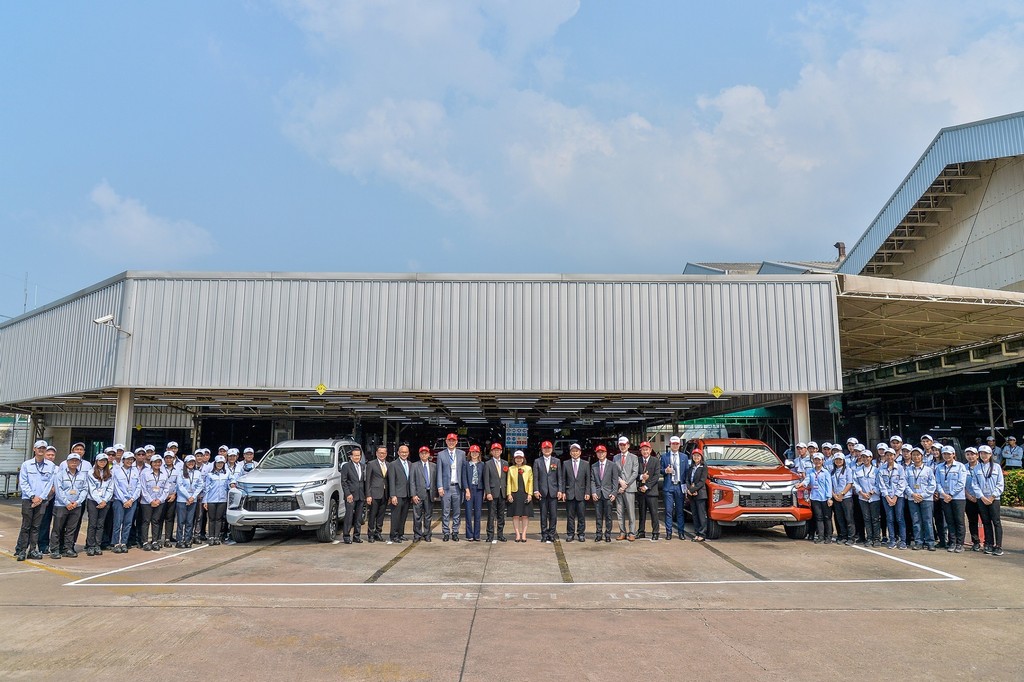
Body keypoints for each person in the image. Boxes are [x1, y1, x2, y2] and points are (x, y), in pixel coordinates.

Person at [15, 440, 56, 561]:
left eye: (43, 448)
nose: (41, 450)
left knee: (36, 527)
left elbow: (50, 483)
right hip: (28, 499)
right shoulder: (26, 464)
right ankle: (22, 550)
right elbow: (23, 482)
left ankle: (33, 550)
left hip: (42, 500)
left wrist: (41, 498)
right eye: (39, 448)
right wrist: (33, 496)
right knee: (26, 526)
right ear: (34, 449)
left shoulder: (50, 466)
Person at [50, 453, 88, 559]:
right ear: (67, 462)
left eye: (76, 461)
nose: (74, 463)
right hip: (61, 505)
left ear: (79, 463)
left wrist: (77, 502)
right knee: (57, 528)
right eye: (72, 460)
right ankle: (55, 549)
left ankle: (68, 548)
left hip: (76, 506)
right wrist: (67, 502)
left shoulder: (82, 475)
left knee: (71, 529)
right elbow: (59, 490)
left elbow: (85, 489)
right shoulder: (60, 475)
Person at [971, 445, 1004, 556]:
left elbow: (1000, 484)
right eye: (981, 453)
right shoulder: (977, 468)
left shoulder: (997, 467)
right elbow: (975, 484)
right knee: (986, 522)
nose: (983, 455)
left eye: (986, 453)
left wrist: (992, 497)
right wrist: (981, 497)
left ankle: (998, 545)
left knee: (996, 522)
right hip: (982, 499)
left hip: (994, 499)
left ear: (990, 455)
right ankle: (989, 543)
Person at [935, 445, 968, 553]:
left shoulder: (960, 466)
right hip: (944, 498)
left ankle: (960, 543)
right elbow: (937, 482)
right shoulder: (939, 467)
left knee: (959, 520)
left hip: (958, 498)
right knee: (949, 521)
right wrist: (944, 494)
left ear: (953, 454)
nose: (946, 456)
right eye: (944, 454)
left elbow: (961, 483)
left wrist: (951, 494)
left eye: (949, 454)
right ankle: (952, 542)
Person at [904, 448, 937, 551]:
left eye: (918, 455)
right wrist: (912, 494)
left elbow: (932, 485)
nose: (916, 457)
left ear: (922, 456)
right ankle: (918, 542)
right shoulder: (908, 470)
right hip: (912, 499)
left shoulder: (928, 470)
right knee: (916, 521)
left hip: (926, 499)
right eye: (914, 455)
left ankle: (930, 542)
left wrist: (922, 495)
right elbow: (905, 484)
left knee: (928, 521)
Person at [436, 434, 466, 542]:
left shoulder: (462, 454)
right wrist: (440, 486)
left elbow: (463, 471)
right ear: (446, 441)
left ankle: (455, 532)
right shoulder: (441, 454)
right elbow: (439, 471)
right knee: (445, 511)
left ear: (457, 442)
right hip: (446, 487)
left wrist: (465, 487)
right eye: (449, 440)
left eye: (453, 440)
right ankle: (446, 532)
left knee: (457, 512)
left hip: (457, 487)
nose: (451, 442)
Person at [111, 449, 141, 554]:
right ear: (123, 460)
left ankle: (124, 542)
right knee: (118, 522)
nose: (129, 461)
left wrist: (132, 499)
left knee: (128, 523)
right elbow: (115, 487)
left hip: (132, 500)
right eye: (127, 459)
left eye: (131, 459)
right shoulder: (116, 471)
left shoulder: (135, 471)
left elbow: (138, 486)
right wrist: (124, 500)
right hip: (120, 500)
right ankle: (116, 543)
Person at [876, 447, 907, 550]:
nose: (889, 457)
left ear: (894, 456)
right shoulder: (881, 469)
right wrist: (887, 497)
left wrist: (895, 496)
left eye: (891, 455)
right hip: (886, 498)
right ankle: (892, 540)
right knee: (889, 519)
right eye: (887, 455)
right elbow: (881, 484)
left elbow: (902, 483)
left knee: (900, 518)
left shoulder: (900, 468)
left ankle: (903, 540)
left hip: (898, 497)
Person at [84, 452, 114, 556]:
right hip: (93, 501)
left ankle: (97, 544)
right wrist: (99, 501)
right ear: (97, 461)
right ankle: (90, 545)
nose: (102, 462)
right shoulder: (90, 473)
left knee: (100, 524)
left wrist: (104, 500)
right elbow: (91, 489)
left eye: (104, 461)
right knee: (92, 524)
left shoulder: (110, 473)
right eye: (101, 461)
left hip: (105, 501)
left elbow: (110, 489)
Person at [559, 443, 590, 542]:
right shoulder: (566, 463)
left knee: (581, 515)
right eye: (573, 451)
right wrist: (563, 491)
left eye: (576, 451)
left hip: (581, 493)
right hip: (570, 493)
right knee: (570, 516)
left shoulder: (585, 464)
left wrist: (587, 492)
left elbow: (588, 480)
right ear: (570, 453)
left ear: (580, 452)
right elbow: (563, 479)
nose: (575, 453)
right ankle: (570, 534)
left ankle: (581, 534)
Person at [139, 454, 170, 551]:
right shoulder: (145, 473)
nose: (157, 464)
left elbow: (166, 489)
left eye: (159, 462)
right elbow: (143, 489)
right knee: (146, 521)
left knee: (156, 521)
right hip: (147, 502)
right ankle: (144, 542)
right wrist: (150, 500)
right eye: (155, 462)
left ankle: (155, 541)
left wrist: (160, 500)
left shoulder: (164, 474)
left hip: (159, 502)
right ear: (151, 463)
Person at [590, 445, 619, 543]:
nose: (600, 454)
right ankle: (598, 534)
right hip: (598, 494)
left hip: (608, 494)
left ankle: (608, 534)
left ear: (606, 453)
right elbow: (592, 481)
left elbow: (615, 480)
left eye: (602, 452)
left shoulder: (612, 465)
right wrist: (593, 492)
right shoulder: (594, 466)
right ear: (596, 454)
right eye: (598, 452)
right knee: (598, 516)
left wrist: (614, 493)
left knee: (608, 516)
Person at [662, 436, 689, 541]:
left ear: (679, 445)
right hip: (669, 486)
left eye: (677, 444)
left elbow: (686, 472)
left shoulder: (684, 457)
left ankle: (681, 532)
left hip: (679, 485)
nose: (675, 445)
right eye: (673, 444)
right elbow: (659, 470)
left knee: (680, 510)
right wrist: (665, 471)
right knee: (668, 510)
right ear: (670, 444)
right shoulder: (664, 457)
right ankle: (669, 532)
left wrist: (686, 487)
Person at [853, 448, 881, 548]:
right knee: (867, 518)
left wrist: (872, 492)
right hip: (863, 498)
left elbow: (879, 483)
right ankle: (869, 538)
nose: (865, 459)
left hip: (875, 498)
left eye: (867, 457)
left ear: (871, 458)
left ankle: (876, 538)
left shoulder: (876, 470)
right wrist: (861, 493)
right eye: (863, 457)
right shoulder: (858, 470)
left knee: (875, 519)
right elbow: (855, 483)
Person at [532, 441, 559, 544]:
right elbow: (535, 477)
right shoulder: (537, 461)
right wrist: (536, 490)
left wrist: (560, 490)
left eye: (548, 448)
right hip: (542, 492)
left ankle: (551, 534)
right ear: (542, 450)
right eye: (545, 448)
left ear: (552, 449)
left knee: (553, 515)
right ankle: (544, 534)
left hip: (553, 492)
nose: (547, 450)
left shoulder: (556, 461)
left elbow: (559, 477)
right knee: (543, 515)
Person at [613, 436, 639, 541]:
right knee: (619, 512)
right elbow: (614, 472)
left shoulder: (634, 457)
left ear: (628, 445)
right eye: (621, 445)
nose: (622, 447)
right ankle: (622, 532)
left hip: (629, 488)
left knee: (631, 511)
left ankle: (632, 532)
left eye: (624, 445)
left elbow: (635, 473)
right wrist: (620, 482)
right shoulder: (615, 458)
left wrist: (626, 484)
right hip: (619, 489)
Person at [387, 444, 413, 544]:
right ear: (398, 453)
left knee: (403, 516)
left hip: (407, 495)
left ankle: (400, 534)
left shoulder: (410, 464)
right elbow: (391, 481)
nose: (404, 454)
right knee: (396, 516)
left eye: (406, 452)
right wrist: (393, 495)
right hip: (397, 495)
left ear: (408, 453)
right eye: (402, 452)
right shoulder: (393, 464)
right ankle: (393, 535)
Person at [175, 455, 203, 548]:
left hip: (193, 500)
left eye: (192, 462)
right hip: (182, 500)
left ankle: (187, 539)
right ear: (185, 463)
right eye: (189, 462)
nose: (191, 463)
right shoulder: (181, 473)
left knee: (189, 521)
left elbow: (200, 485)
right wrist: (188, 497)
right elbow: (180, 486)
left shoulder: (197, 473)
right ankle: (179, 540)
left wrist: (193, 497)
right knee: (181, 521)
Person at [636, 441, 662, 541]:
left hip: (651, 492)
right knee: (641, 513)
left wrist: (647, 486)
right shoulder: (637, 460)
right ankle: (641, 531)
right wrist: (641, 477)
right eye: (643, 450)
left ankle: (655, 532)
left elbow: (656, 476)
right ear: (641, 451)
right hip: (641, 492)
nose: (645, 452)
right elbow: (635, 474)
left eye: (647, 449)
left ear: (650, 450)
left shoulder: (655, 461)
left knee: (654, 513)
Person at [482, 443, 508, 543]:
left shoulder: (505, 463)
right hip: (492, 493)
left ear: (501, 451)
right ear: (491, 452)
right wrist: (488, 492)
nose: (496, 452)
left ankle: (500, 534)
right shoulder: (488, 464)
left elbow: (507, 479)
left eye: (498, 450)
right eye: (494, 450)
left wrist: (507, 492)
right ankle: (490, 535)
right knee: (491, 515)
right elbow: (486, 480)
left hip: (502, 492)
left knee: (501, 515)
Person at [203, 455, 231, 546]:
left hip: (222, 499)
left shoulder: (227, 474)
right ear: (215, 463)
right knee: (211, 519)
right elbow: (206, 488)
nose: (220, 465)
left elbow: (231, 482)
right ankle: (211, 536)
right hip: (211, 499)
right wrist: (205, 501)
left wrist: (232, 484)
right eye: (218, 463)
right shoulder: (210, 475)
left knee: (219, 519)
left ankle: (216, 537)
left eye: (222, 463)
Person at [409, 446, 435, 543]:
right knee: (417, 516)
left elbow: (435, 480)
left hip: (429, 494)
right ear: (419, 455)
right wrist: (413, 495)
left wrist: (435, 493)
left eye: (426, 453)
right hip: (418, 495)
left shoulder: (433, 466)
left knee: (428, 515)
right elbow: (412, 481)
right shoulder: (414, 465)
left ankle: (427, 534)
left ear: (429, 454)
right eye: (422, 453)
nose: (424, 455)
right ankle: (417, 534)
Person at [506, 450, 533, 542]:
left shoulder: (528, 468)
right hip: (515, 493)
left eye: (520, 458)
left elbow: (530, 482)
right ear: (514, 459)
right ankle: (517, 534)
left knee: (525, 515)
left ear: (523, 459)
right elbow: (509, 482)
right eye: (517, 458)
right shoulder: (511, 469)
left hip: (525, 493)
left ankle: (524, 534)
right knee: (515, 515)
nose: (518, 460)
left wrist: (530, 494)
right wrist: (509, 494)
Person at [459, 445, 485, 542]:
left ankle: (477, 535)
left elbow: (484, 478)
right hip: (469, 489)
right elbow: (464, 477)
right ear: (470, 453)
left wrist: (485, 491)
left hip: (479, 490)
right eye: (473, 452)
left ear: (479, 453)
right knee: (468, 513)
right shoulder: (466, 464)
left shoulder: (482, 464)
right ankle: (469, 534)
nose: (474, 454)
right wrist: (467, 490)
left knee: (478, 513)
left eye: (476, 452)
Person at [340, 447, 366, 544]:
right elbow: (344, 482)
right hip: (350, 495)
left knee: (358, 517)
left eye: (358, 455)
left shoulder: (363, 466)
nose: (357, 457)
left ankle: (356, 536)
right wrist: (348, 494)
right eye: (355, 455)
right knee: (349, 516)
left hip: (361, 495)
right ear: (351, 457)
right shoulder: (346, 466)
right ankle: (346, 536)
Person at [365, 446, 389, 543]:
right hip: (374, 494)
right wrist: (368, 495)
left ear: (386, 454)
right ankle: (370, 534)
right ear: (376, 453)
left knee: (381, 515)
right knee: (372, 515)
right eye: (380, 453)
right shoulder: (371, 464)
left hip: (384, 494)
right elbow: (368, 481)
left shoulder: (388, 464)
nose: (382, 455)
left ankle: (378, 533)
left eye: (384, 453)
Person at [807, 453, 833, 543]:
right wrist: (801, 484)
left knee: (827, 517)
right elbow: (807, 480)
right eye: (815, 459)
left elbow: (829, 485)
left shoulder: (826, 472)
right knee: (818, 517)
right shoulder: (810, 471)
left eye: (819, 460)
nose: (817, 461)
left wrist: (829, 498)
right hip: (815, 497)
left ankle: (828, 536)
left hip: (824, 498)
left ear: (822, 461)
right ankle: (820, 536)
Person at [830, 452, 855, 545]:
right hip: (836, 498)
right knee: (840, 518)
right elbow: (830, 485)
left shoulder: (848, 470)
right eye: (836, 459)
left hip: (846, 497)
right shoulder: (832, 471)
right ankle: (843, 536)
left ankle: (851, 537)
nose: (838, 461)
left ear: (843, 460)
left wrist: (842, 494)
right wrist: (834, 495)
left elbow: (850, 483)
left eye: (840, 459)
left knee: (849, 518)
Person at [963, 447, 983, 552]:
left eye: (972, 454)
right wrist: (968, 496)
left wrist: (980, 496)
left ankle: (988, 542)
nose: (970, 456)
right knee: (972, 521)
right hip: (969, 498)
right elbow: (961, 484)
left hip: (981, 498)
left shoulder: (982, 467)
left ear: (977, 455)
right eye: (968, 454)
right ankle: (975, 542)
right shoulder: (963, 467)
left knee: (986, 521)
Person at [686, 448, 708, 542]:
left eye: (698, 456)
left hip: (700, 494)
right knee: (694, 515)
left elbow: (702, 481)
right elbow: (687, 479)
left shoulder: (704, 467)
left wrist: (693, 489)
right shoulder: (691, 467)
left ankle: (702, 534)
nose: (696, 457)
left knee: (701, 515)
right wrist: (689, 489)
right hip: (692, 494)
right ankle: (697, 533)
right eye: (694, 455)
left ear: (701, 457)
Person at [161, 451, 180, 547]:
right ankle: (157, 539)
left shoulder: (178, 470)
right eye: (167, 458)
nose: (168, 460)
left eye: (170, 458)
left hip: (172, 497)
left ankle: (168, 538)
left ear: (173, 459)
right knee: (159, 518)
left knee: (170, 518)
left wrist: (174, 494)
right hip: (161, 497)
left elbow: (178, 483)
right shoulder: (160, 468)